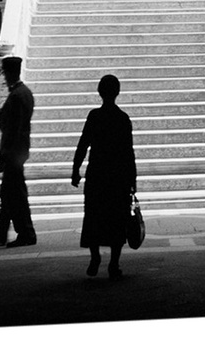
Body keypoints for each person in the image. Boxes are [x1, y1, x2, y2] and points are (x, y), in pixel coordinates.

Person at [71, 74, 137, 280]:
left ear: (100, 92)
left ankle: (95, 257)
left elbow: (83, 144)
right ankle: (114, 264)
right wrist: (132, 181)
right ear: (117, 93)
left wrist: (75, 169)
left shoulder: (94, 116)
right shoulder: (123, 119)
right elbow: (129, 152)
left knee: (93, 216)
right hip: (117, 176)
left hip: (97, 174)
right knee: (117, 218)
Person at [0, 57, 37, 247]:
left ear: (10, 72)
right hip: (19, 151)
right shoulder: (24, 93)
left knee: (15, 195)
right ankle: (0, 234)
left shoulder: (16, 96)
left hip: (14, 152)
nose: (4, 76)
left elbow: (12, 128)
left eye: (4, 72)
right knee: (8, 194)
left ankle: (27, 233)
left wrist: (3, 155)